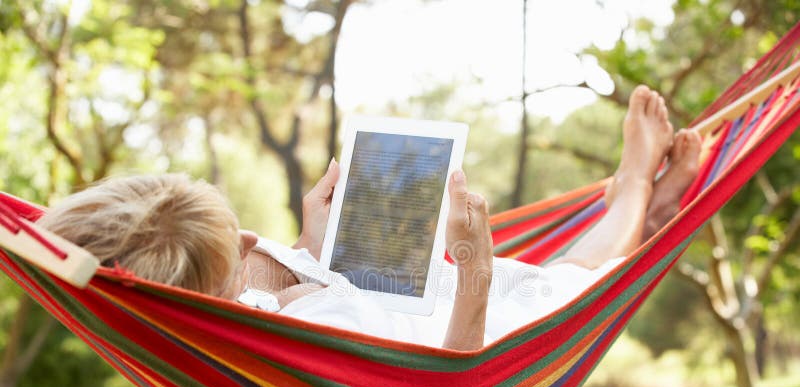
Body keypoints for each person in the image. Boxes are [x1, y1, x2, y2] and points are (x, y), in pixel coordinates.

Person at [39, 86, 701, 350]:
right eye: (238, 250)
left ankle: (648, 212)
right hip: (477, 332)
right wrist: (472, 264)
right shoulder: (300, 339)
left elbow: (288, 294)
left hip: (417, 291)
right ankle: (637, 189)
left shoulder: (220, 307)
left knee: (559, 268)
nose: (251, 242)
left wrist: (312, 242)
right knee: (571, 275)